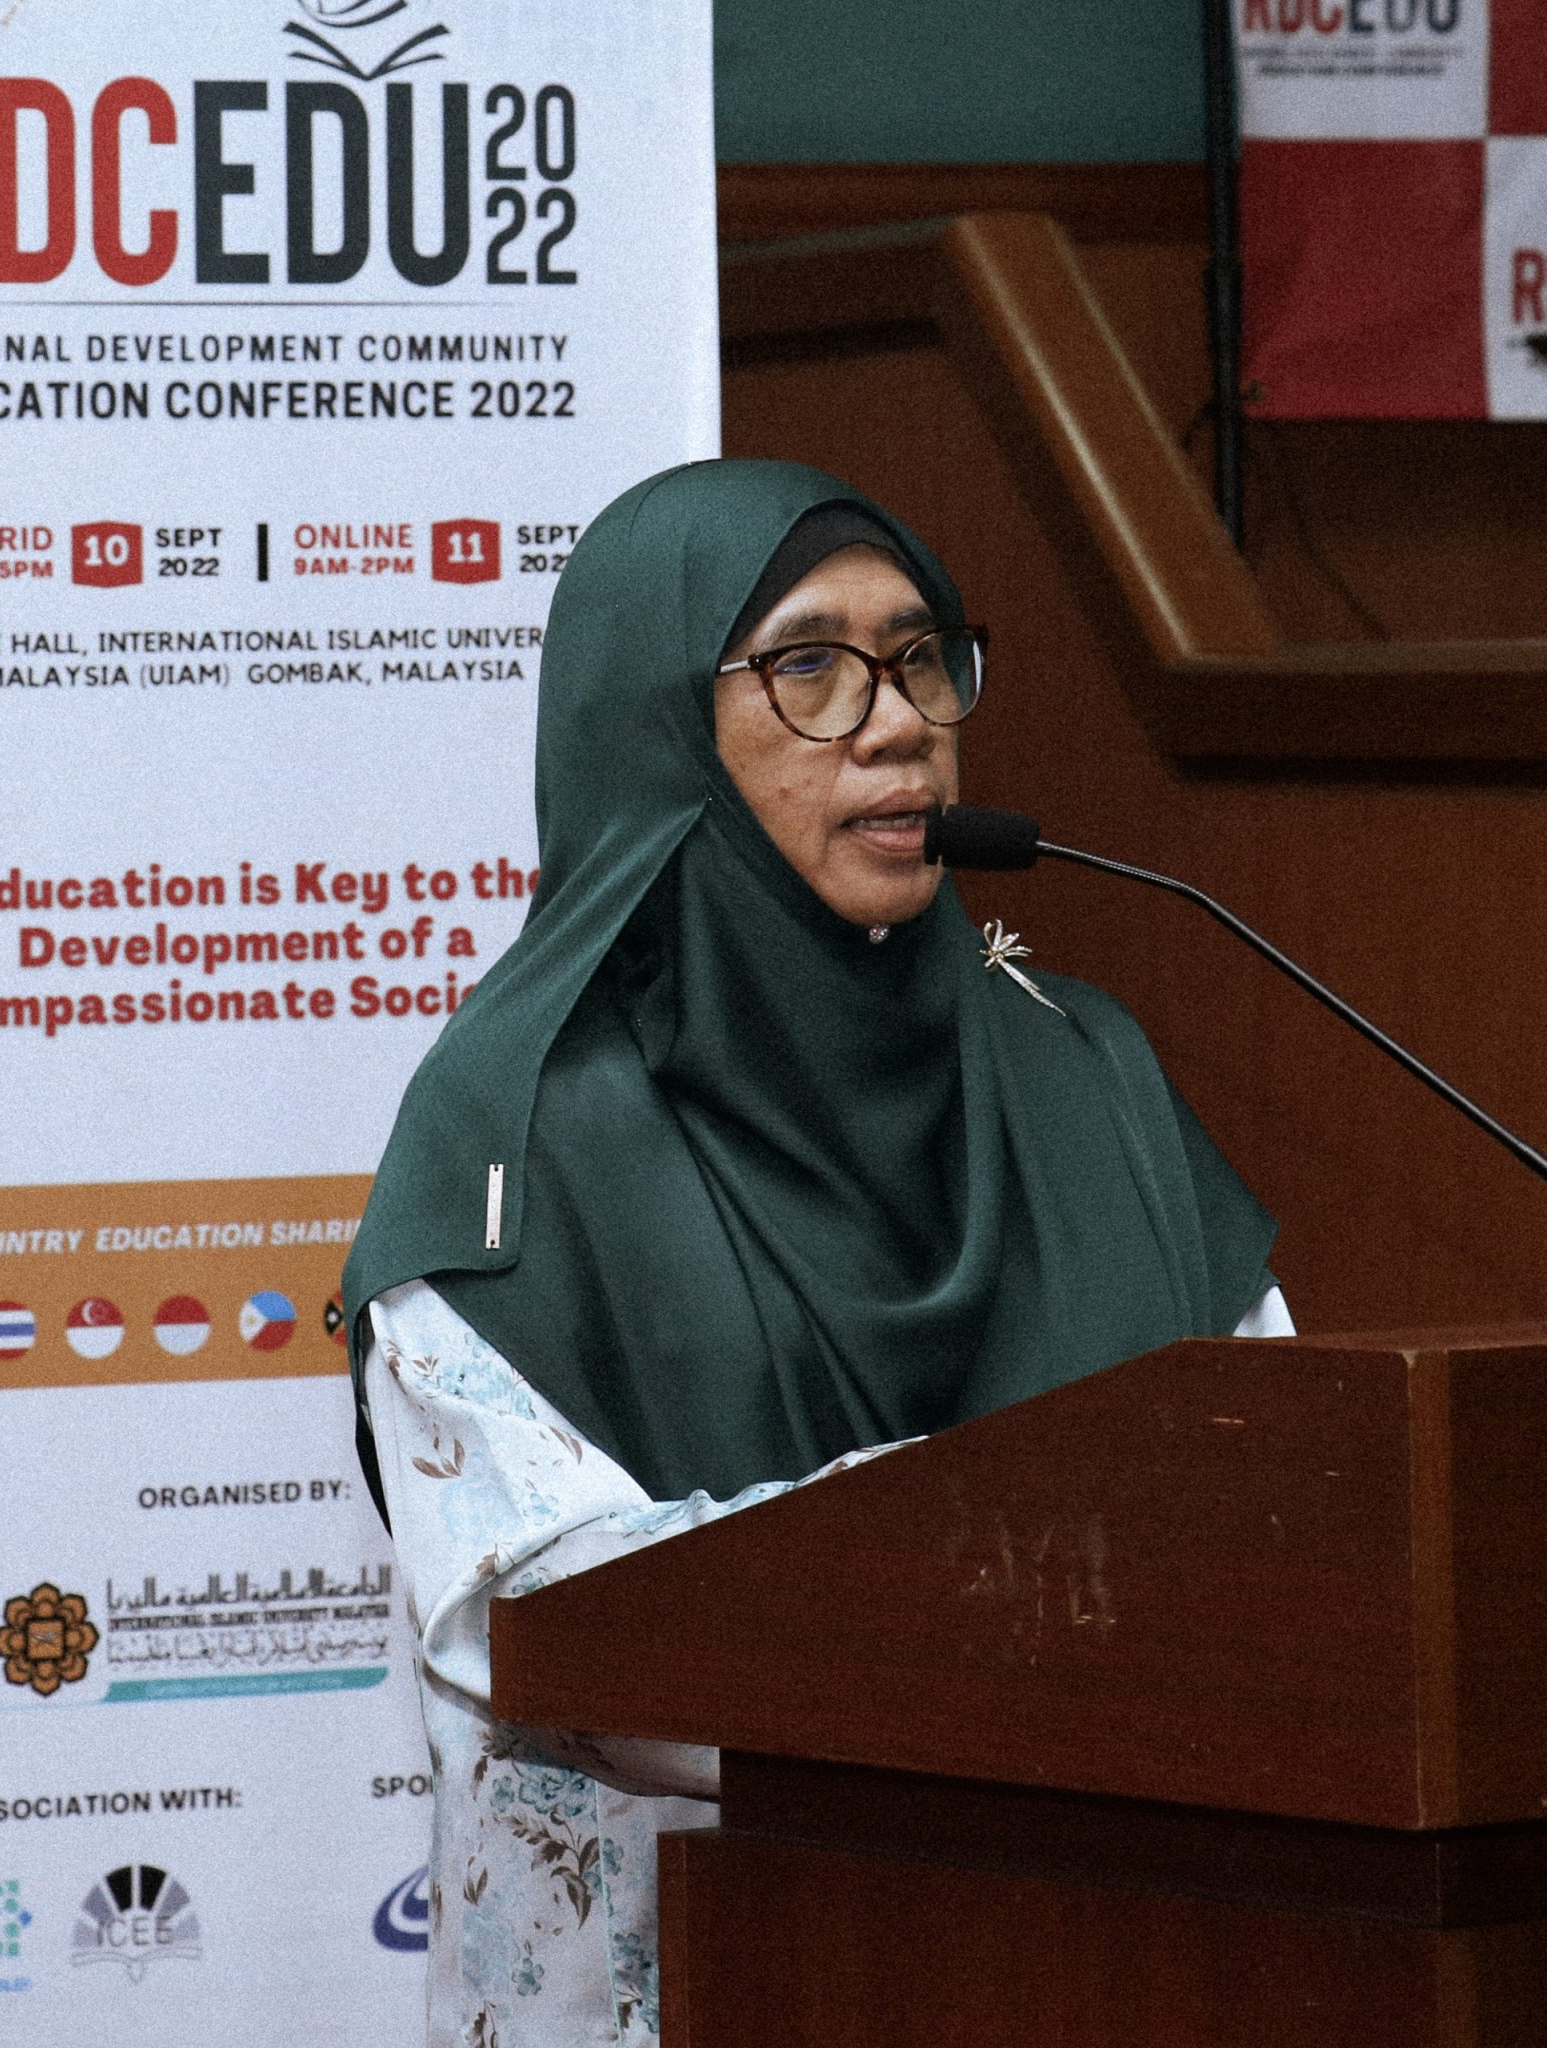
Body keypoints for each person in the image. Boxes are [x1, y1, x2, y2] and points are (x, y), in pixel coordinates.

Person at [343, 459, 1290, 2048]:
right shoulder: (517, 1135)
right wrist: (1021, 1570)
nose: (899, 720)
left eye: (920, 657)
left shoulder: (1085, 1074)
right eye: (809, 668)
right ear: (654, 728)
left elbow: (1285, 1482)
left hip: (1105, 1964)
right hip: (696, 1986)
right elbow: (548, 1628)